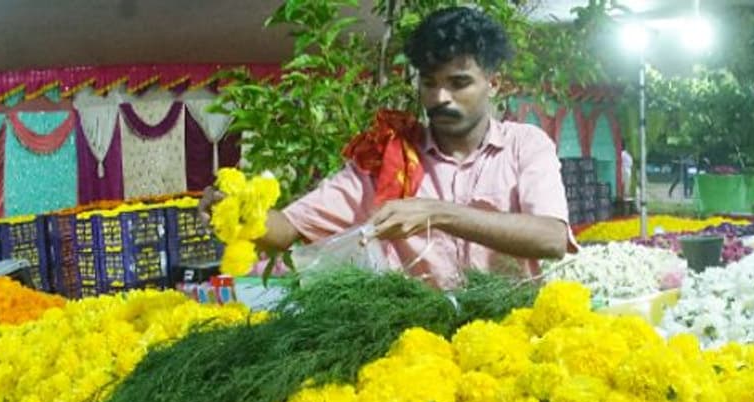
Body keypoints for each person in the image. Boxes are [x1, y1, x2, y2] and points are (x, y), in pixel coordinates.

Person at [202, 7, 571, 289]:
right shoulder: (389, 158)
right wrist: (236, 210)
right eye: (429, 83)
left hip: (513, 337)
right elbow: (288, 229)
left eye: (459, 83)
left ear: (496, 84)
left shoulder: (525, 145)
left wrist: (438, 213)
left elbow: (551, 238)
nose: (441, 97)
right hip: (416, 348)